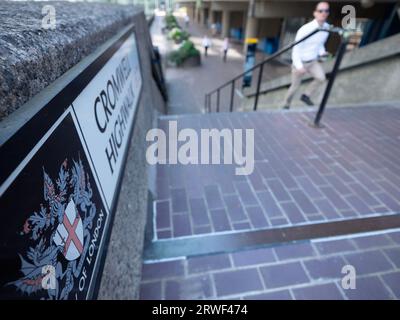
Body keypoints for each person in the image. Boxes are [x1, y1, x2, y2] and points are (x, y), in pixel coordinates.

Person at [283, 1, 331, 109]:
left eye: (326, 11)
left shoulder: (326, 28)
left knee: (321, 78)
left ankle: (306, 96)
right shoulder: (305, 29)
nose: (323, 13)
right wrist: (299, 66)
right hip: (300, 62)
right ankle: (285, 105)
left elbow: (320, 44)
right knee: (295, 86)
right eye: (320, 11)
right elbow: (296, 49)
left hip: (313, 61)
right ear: (315, 13)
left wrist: (322, 52)